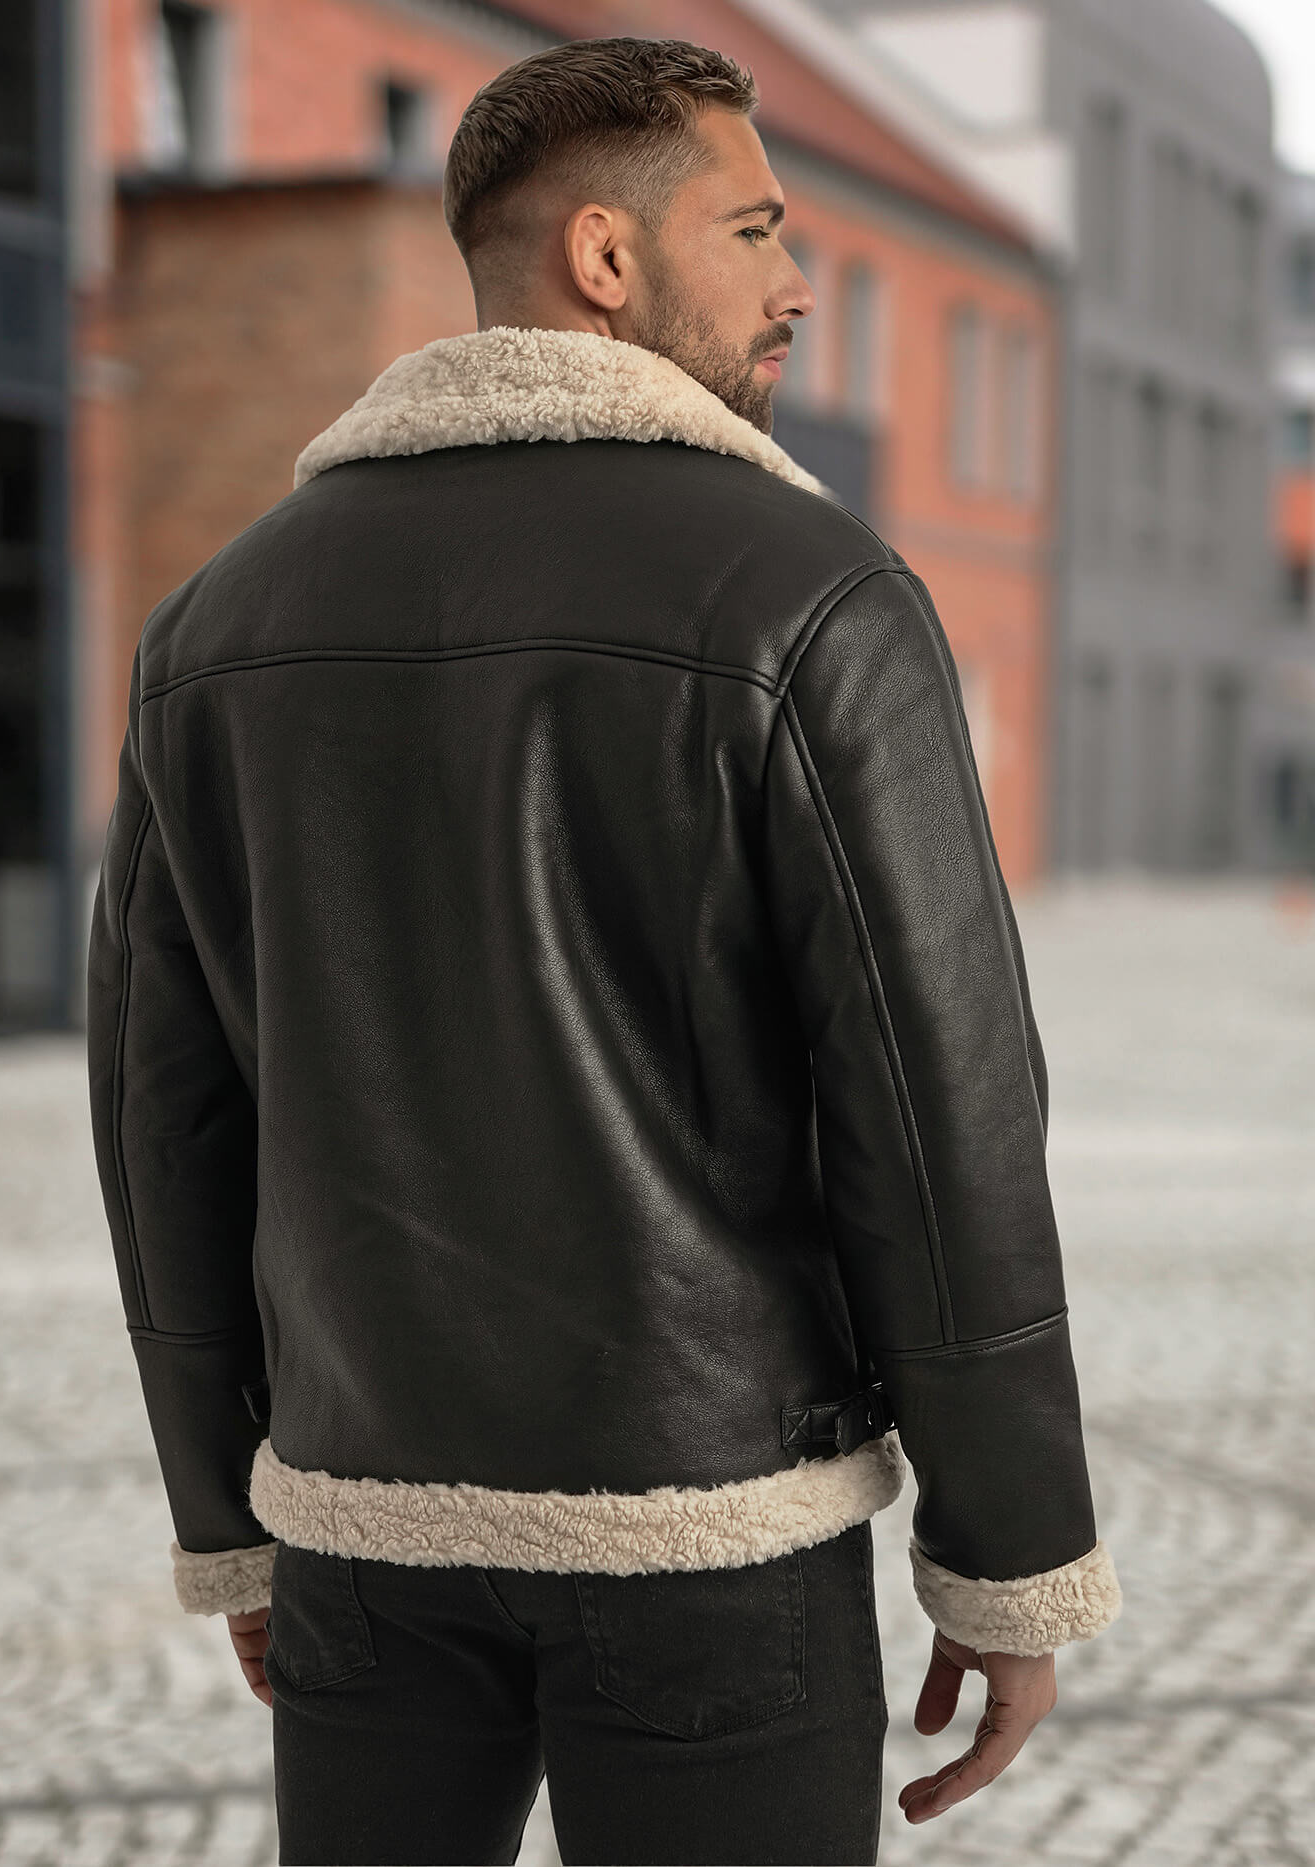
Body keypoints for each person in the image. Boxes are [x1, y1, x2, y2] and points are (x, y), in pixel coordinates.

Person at [86, 34, 1121, 1867]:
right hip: (711, 1544)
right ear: (605, 255)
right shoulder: (813, 595)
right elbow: (938, 1107)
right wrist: (1012, 1553)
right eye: (756, 230)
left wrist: (228, 1513)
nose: (798, 286)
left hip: (364, 1539)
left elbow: (164, 1127)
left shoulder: (211, 629)